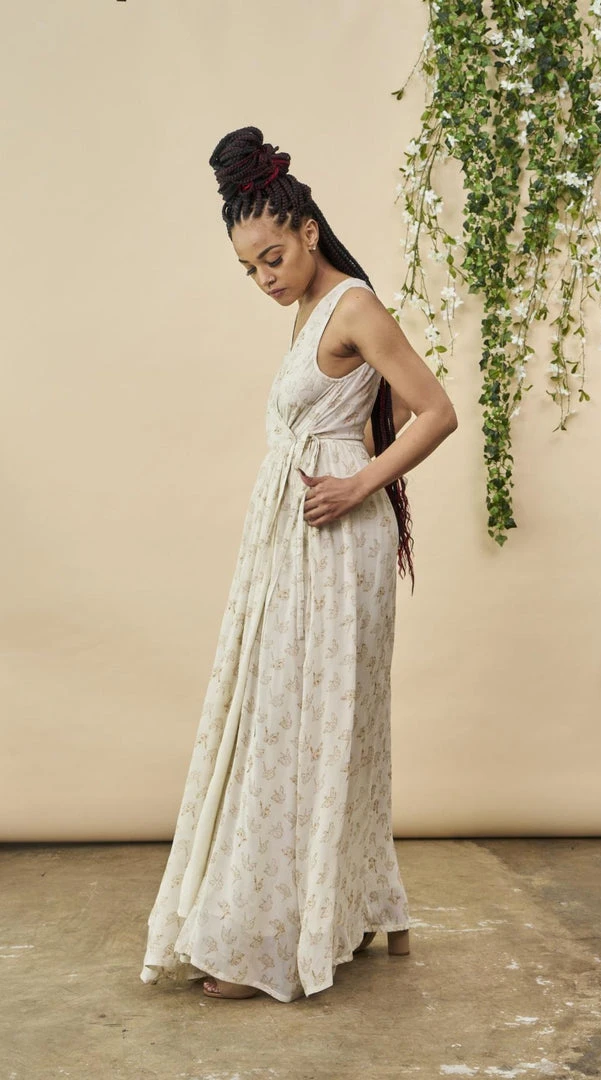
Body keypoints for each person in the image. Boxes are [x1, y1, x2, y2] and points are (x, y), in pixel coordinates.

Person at [139, 125, 458, 1003]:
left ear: (308, 230)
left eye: (272, 257)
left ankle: (269, 939)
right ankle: (356, 908)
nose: (264, 278)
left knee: (308, 728)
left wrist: (360, 481)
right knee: (303, 727)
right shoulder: (311, 311)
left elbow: (435, 410)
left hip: (336, 547)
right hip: (295, 545)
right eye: (249, 268)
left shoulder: (353, 306)